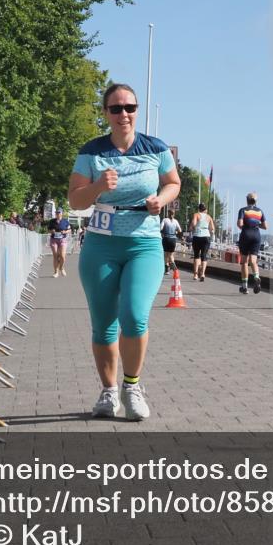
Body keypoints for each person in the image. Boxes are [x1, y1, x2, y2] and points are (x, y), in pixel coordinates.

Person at [67, 83, 181, 421]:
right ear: (105, 113)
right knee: (104, 324)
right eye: (115, 109)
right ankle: (108, 391)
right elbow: (75, 199)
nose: (123, 115)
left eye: (129, 107)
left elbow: (173, 182)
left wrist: (161, 199)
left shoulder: (155, 148)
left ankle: (132, 386)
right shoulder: (91, 152)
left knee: (134, 315)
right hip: (101, 243)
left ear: (136, 110)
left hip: (143, 243)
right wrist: (99, 186)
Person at [236, 193, 266, 294]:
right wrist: (256, 224)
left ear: (247, 200)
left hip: (246, 235)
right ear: (256, 201)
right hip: (256, 236)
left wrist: (245, 226)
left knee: (244, 261)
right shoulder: (260, 211)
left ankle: (244, 287)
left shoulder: (243, 210)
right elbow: (265, 226)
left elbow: (240, 224)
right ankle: (256, 277)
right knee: (253, 261)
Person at [190, 203, 215, 281]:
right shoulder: (209, 217)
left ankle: (195, 274)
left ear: (199, 209)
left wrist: (193, 227)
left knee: (196, 255)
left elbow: (194, 224)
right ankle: (203, 274)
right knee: (204, 256)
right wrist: (210, 232)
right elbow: (212, 229)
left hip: (197, 236)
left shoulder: (196, 215)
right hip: (206, 237)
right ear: (205, 209)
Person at [47, 208, 72, 277]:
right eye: (56, 213)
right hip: (54, 240)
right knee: (55, 256)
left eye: (59, 213)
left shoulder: (65, 221)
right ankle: (56, 272)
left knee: (62, 256)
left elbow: (69, 230)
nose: (57, 214)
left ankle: (61, 267)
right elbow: (48, 230)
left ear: (62, 213)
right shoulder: (52, 221)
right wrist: (51, 231)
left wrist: (65, 232)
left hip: (62, 239)